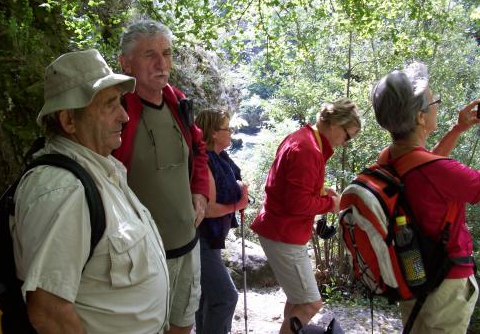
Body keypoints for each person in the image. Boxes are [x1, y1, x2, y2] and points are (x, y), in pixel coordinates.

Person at [11, 49, 169, 333]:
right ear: (69, 120)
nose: (124, 116)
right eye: (109, 104)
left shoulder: (102, 167)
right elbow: (49, 312)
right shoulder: (64, 190)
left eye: (120, 102)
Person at [371, 62, 480, 333]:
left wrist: (457, 129)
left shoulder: (388, 157)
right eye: (434, 100)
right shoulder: (444, 173)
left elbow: (423, 167)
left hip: (414, 277)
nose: (438, 104)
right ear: (420, 117)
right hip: (446, 287)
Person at [113, 19, 210, 334]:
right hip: (142, 255)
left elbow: (199, 148)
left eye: (166, 54)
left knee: (183, 325)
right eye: (149, 55)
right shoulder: (114, 110)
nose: (161, 64)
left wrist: (200, 193)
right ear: (125, 63)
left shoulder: (177, 100)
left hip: (187, 242)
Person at [250, 98, 361, 334]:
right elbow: (297, 203)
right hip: (284, 235)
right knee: (310, 303)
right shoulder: (308, 149)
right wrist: (331, 203)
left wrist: (321, 193)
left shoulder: (303, 138)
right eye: (347, 135)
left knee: (297, 302)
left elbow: (292, 189)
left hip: (279, 230)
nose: (345, 143)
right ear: (334, 124)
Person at [193, 109, 249, 334]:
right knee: (226, 297)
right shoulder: (205, 163)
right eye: (227, 128)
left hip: (211, 241)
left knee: (206, 297)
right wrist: (239, 204)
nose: (231, 132)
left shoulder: (221, 158)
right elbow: (207, 209)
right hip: (201, 240)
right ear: (214, 133)